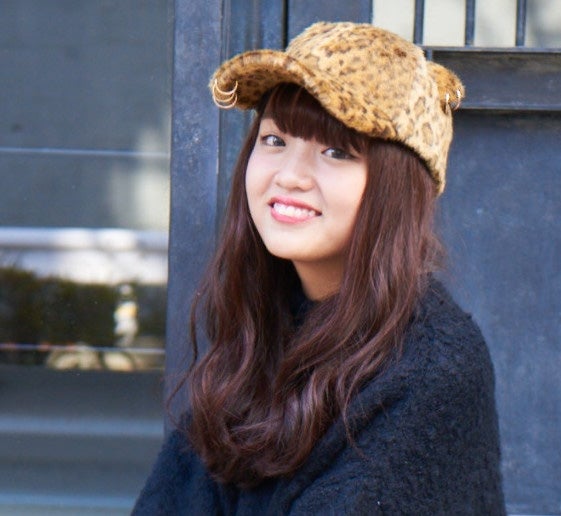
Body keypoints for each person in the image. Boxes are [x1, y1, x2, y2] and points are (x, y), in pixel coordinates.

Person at [133, 21, 505, 514]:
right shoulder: (266, 321)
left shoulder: (433, 368)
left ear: (396, 189)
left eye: (335, 152)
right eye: (275, 140)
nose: (290, 175)